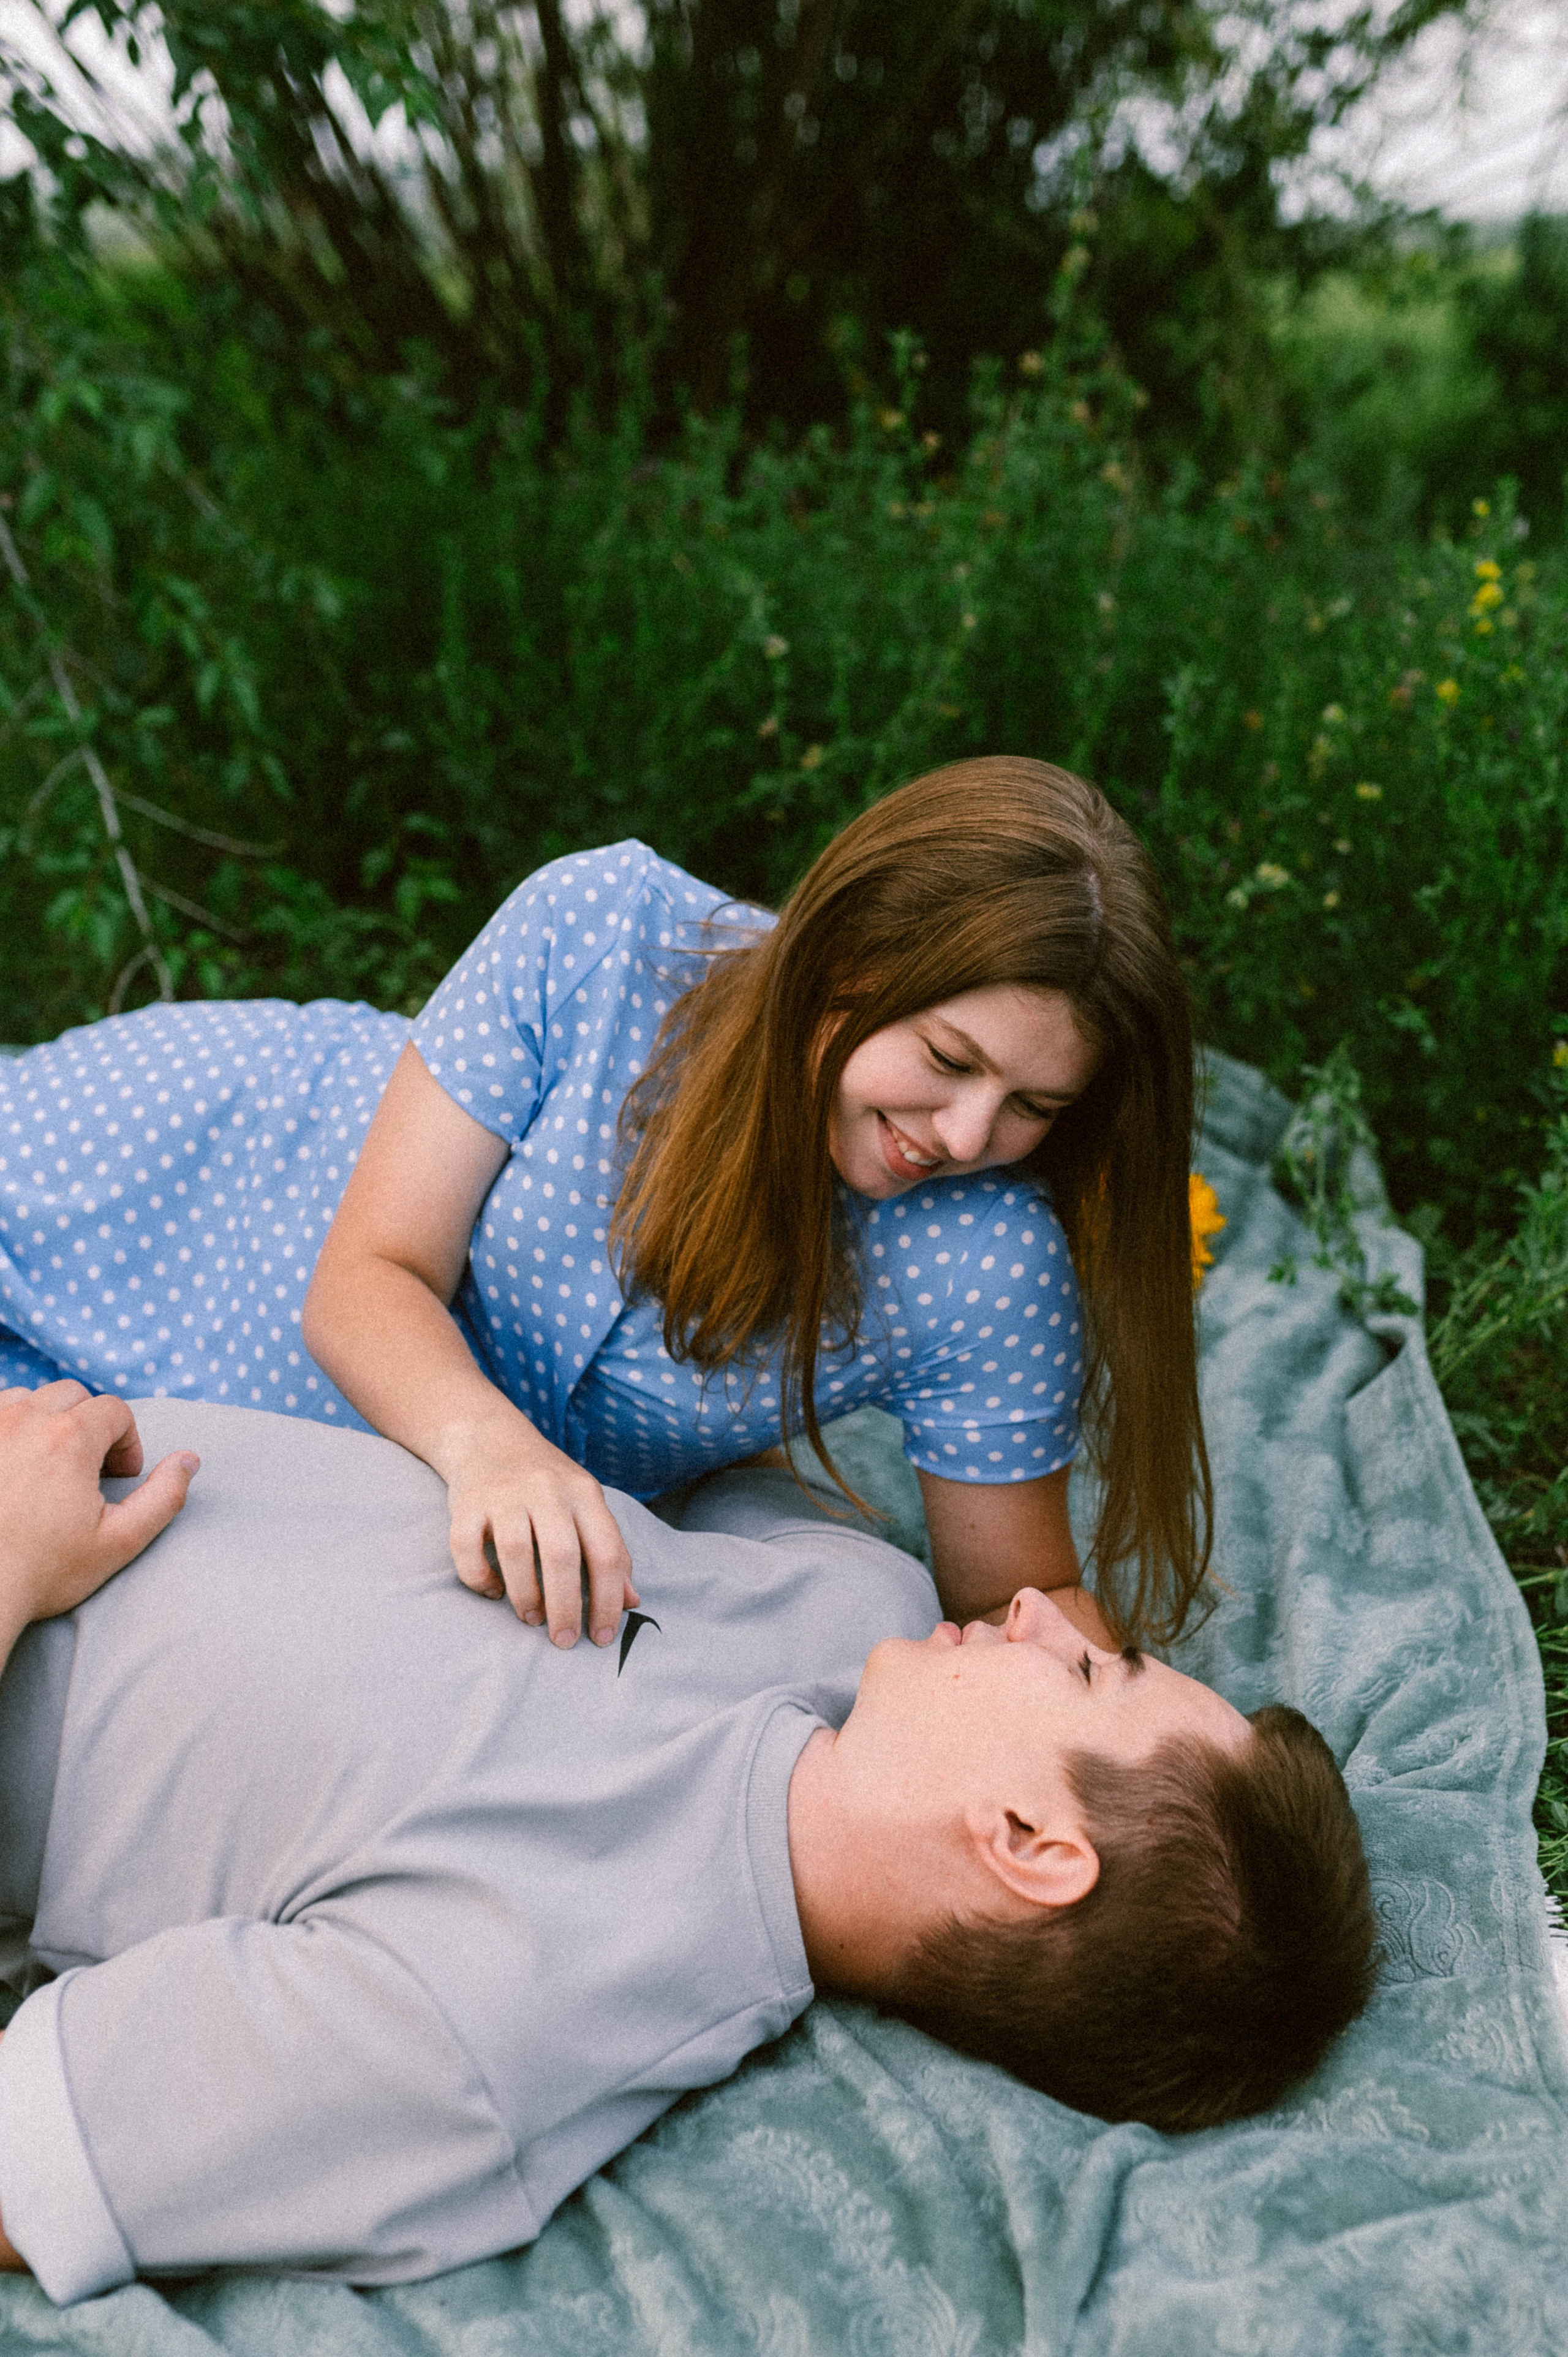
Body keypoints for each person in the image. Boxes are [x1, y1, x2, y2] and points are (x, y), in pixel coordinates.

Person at [0, 1382, 1376, 2305]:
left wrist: (11, 1564)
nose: (1039, 1611)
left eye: (1086, 1674)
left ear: (1026, 1841)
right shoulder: (862, 1604)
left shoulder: (497, 2022)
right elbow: (707, 1400)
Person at [0, 757, 1208, 1654]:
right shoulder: (605, 930)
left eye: (1033, 1105)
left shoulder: (987, 1264)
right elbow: (366, 1276)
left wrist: (1154, 1771)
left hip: (234, 1429)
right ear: (850, 958)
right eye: (946, 1059)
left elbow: (1015, 1604)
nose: (966, 1138)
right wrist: (494, 1451)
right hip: (180, 1167)